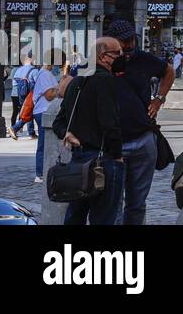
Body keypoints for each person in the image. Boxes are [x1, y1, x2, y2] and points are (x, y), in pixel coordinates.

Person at [106, 20, 175, 225]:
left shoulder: (143, 59)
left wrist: (159, 99)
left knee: (137, 202)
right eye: (124, 41)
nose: (129, 45)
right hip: (113, 142)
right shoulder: (104, 61)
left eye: (131, 39)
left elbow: (168, 71)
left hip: (142, 138)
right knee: (113, 201)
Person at [54, 37, 125, 225]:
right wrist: (117, 155)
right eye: (117, 53)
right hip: (103, 160)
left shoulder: (77, 82)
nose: (121, 57)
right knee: (103, 216)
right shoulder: (105, 81)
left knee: (75, 215)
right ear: (103, 56)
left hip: (79, 159)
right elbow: (109, 123)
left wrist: (66, 133)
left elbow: (59, 122)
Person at [30, 62, 63, 183]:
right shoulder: (44, 74)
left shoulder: (46, 74)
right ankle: (40, 173)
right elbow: (49, 95)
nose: (58, 67)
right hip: (44, 111)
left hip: (45, 110)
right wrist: (60, 88)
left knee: (46, 143)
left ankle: (44, 171)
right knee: (43, 143)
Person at [9, 54, 37, 140]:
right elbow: (38, 83)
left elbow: (14, 83)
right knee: (29, 112)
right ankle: (16, 128)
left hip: (18, 94)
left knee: (24, 112)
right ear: (31, 60)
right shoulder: (34, 70)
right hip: (29, 94)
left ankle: (30, 132)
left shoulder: (18, 70)